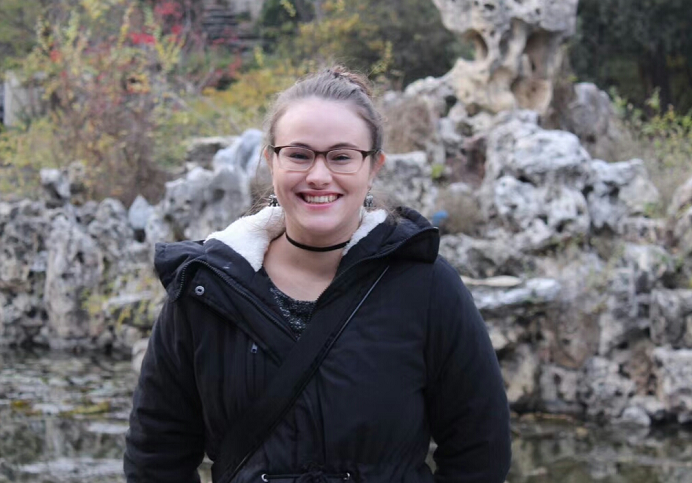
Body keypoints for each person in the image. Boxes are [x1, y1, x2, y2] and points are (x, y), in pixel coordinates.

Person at [124, 66, 511, 483]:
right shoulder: (206, 289)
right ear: (271, 161)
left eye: (342, 157)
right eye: (299, 155)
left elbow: (480, 451)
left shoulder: (427, 286)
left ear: (373, 167)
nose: (319, 176)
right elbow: (156, 456)